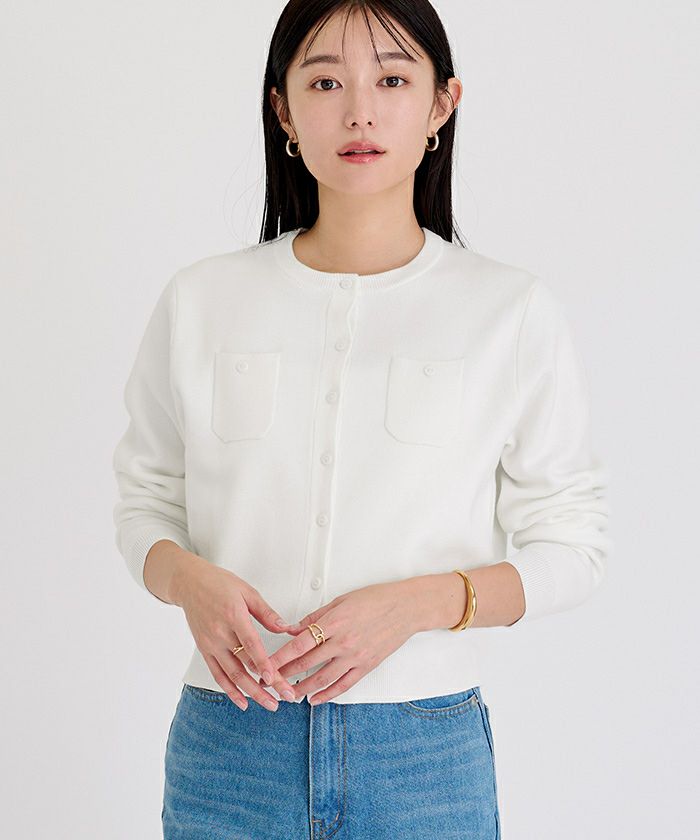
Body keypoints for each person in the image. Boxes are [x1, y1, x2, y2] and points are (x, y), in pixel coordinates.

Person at [112, 1, 611, 837]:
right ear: (283, 111)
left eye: (392, 79)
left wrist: (422, 604)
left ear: (442, 103)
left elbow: (575, 547)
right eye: (325, 82)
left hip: (423, 757)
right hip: (229, 746)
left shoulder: (509, 311)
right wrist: (187, 581)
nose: (359, 112)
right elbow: (144, 505)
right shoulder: (202, 300)